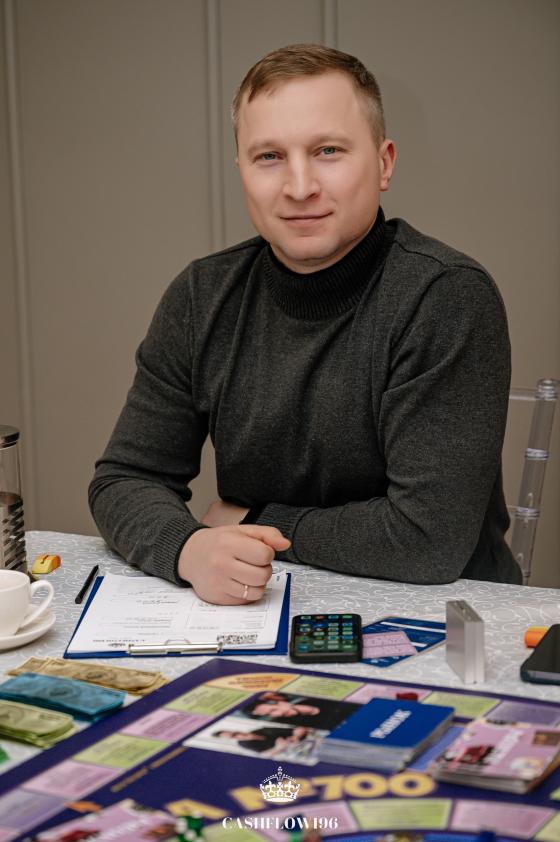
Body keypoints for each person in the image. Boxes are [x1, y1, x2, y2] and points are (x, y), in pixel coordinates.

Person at [89, 43, 521, 604]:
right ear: (242, 171)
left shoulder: (444, 296)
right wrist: (186, 547)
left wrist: (253, 519)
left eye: (328, 151)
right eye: (269, 156)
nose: (299, 187)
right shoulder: (202, 296)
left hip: (446, 618)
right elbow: (124, 479)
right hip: (260, 605)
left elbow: (426, 539)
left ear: (384, 163)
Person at [213, 726, 311, 755]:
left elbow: (300, 729)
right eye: (233, 737)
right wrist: (279, 747)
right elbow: (266, 755)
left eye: (235, 733)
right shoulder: (243, 744)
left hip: (303, 742)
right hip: (291, 752)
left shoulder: (262, 730)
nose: (238, 736)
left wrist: (295, 737)